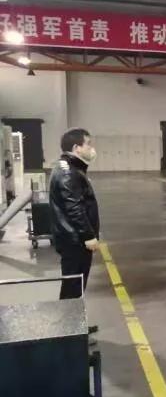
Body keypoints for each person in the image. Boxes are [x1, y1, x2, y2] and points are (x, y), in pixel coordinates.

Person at [49, 128, 100, 300]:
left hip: (73, 238)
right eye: (88, 144)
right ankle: (68, 316)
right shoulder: (68, 172)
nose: (91, 148)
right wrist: (88, 236)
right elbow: (74, 208)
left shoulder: (71, 168)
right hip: (75, 241)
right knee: (73, 286)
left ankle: (74, 315)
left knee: (76, 285)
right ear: (76, 148)